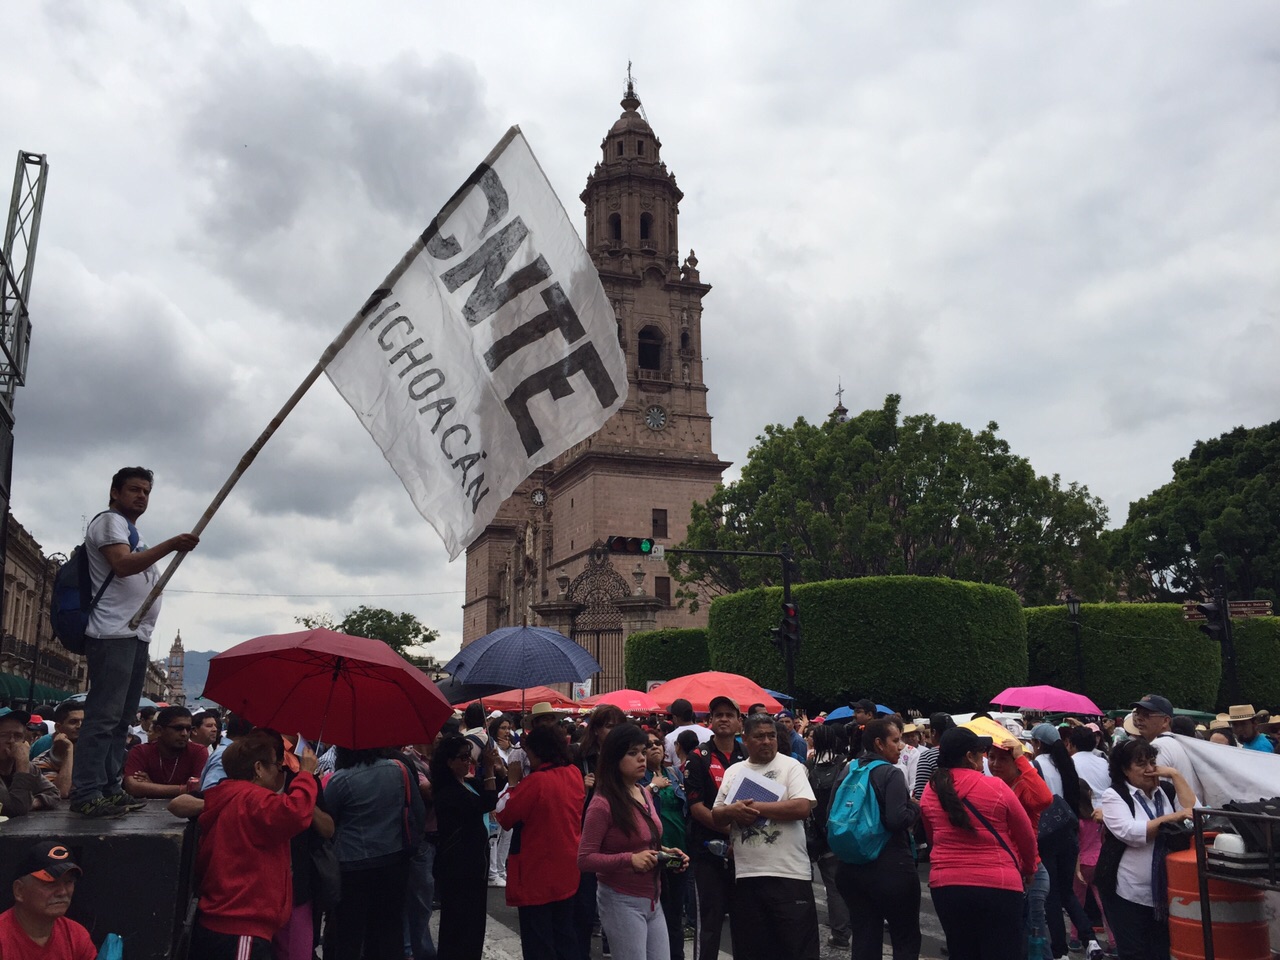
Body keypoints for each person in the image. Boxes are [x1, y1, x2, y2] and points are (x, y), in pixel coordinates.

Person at [72, 467, 199, 818]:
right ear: (115, 492)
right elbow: (123, 565)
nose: (141, 496)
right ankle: (87, 791)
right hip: (113, 633)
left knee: (122, 718)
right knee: (104, 717)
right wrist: (171, 545)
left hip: (134, 634)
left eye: (146, 491)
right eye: (134, 489)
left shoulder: (132, 531)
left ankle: (110, 787)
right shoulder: (110, 522)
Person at [191, 730, 319, 960]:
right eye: (276, 767)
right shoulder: (252, 799)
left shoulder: (226, 795)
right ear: (259, 768)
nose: (279, 772)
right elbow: (296, 813)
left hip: (225, 919)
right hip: (241, 923)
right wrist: (306, 775)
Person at [920, 727, 1037, 960]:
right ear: (970, 757)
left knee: (962, 951)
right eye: (981, 753)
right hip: (999, 885)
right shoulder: (996, 787)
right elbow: (1026, 835)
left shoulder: (931, 791)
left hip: (947, 885)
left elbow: (932, 837)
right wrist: (1028, 869)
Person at [712, 713, 818, 960]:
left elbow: (802, 807)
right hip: (747, 875)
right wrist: (732, 810)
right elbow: (717, 815)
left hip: (789, 875)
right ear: (745, 739)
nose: (767, 741)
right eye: (759, 737)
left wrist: (754, 808)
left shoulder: (791, 766)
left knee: (796, 949)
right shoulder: (734, 771)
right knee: (752, 950)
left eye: (771, 736)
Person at [578, 723, 688, 960]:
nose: (642, 758)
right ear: (614, 758)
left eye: (642, 751)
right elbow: (585, 859)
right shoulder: (602, 803)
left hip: (653, 898)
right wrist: (630, 860)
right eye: (632, 753)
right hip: (620, 899)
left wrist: (667, 853)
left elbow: (645, 840)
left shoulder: (643, 791)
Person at [1095, 737, 1198, 960]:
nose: (1150, 769)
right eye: (1141, 764)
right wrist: (1173, 817)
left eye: (1152, 762)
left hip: (1165, 891)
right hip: (1129, 892)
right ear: (1124, 770)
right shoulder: (1115, 795)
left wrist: (1175, 775)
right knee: (1135, 953)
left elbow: (1195, 813)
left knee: (1161, 951)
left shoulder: (1166, 791)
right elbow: (1131, 832)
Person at [832, 717, 922, 960]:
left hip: (851, 869)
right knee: (905, 937)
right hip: (890, 868)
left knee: (865, 936)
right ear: (879, 744)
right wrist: (914, 808)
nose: (900, 746)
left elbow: (832, 813)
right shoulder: (890, 773)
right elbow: (896, 820)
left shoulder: (849, 769)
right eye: (895, 740)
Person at [496, 723, 585, 960]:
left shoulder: (536, 782)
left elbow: (505, 816)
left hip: (537, 873)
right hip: (567, 869)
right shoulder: (574, 773)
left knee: (539, 943)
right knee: (565, 936)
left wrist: (512, 783)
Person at [326, 746, 425, 960]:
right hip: (394, 859)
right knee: (390, 930)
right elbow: (418, 812)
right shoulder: (399, 770)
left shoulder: (340, 779)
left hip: (352, 865)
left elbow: (328, 823)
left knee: (350, 934)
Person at [683, 695, 745, 960]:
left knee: (746, 924)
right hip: (707, 853)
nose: (723, 719)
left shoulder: (748, 755)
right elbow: (697, 808)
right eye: (718, 715)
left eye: (729, 714)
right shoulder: (698, 758)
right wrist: (729, 831)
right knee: (709, 924)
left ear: (739, 722)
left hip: (745, 854)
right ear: (709, 721)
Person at [1028, 723, 1094, 960]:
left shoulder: (1035, 766)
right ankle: (1091, 941)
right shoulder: (1067, 765)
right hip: (1069, 833)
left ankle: (1060, 951)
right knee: (1068, 892)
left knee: (1052, 897)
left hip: (1046, 835)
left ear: (1037, 744)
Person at [986, 731, 1054, 960]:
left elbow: (1045, 799)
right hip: (1008, 869)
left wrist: (1022, 758)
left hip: (1030, 872)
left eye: (1002, 759)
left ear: (1016, 763)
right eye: (991, 757)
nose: (994, 764)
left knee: (1034, 933)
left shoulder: (1023, 786)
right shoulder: (995, 785)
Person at [431, 733, 499, 960]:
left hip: (473, 865)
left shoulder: (466, 783)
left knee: (473, 924)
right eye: (462, 758)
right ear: (449, 762)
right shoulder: (447, 791)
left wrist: (491, 768)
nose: (468, 761)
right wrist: (488, 769)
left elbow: (491, 792)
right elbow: (486, 803)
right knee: (460, 926)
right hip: (460, 868)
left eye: (469, 756)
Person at [573, 704, 625, 960]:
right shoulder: (580, 756)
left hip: (621, 835)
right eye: (608, 725)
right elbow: (567, 801)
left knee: (619, 904)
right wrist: (580, 788)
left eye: (618, 725)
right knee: (585, 903)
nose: (613, 731)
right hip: (589, 835)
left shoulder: (628, 756)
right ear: (595, 729)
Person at [0, 840, 96, 960]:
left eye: (68, 882)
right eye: (50, 883)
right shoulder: (3, 939)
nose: (63, 892)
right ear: (19, 890)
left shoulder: (77, 936)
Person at [642, 728, 689, 960]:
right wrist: (653, 786)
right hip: (652, 852)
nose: (655, 747)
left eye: (658, 743)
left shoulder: (674, 773)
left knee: (674, 913)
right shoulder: (639, 779)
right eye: (649, 745)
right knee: (656, 909)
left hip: (677, 847)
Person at [806, 723, 851, 949]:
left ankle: (840, 933)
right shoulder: (845, 763)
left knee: (833, 886)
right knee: (850, 882)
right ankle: (852, 925)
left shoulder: (810, 765)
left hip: (821, 834)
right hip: (844, 829)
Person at [122, 705, 207, 799]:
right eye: (178, 728)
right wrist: (183, 789)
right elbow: (132, 787)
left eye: (188, 729)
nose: (184, 734)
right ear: (159, 730)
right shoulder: (141, 751)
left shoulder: (198, 752)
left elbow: (199, 789)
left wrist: (151, 786)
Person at [0, 707, 60, 815]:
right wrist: (22, 767)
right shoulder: (23, 765)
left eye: (18, 736)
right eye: (3, 735)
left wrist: (34, 802)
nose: (12, 741)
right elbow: (17, 809)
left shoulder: (28, 766)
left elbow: (54, 793)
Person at [30, 701, 84, 800]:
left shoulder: (93, 758)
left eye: (83, 722)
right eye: (73, 722)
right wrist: (69, 750)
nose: (80, 726)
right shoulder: (42, 762)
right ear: (58, 727)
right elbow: (60, 792)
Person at [489, 713, 516, 887]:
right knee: (494, 836)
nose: (507, 731)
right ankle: (492, 873)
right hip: (496, 798)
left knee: (508, 834)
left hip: (510, 799)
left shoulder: (514, 748)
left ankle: (501, 869)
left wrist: (512, 748)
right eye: (503, 728)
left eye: (509, 728)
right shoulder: (492, 749)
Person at [664, 698, 711, 768]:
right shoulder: (709, 734)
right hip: (707, 776)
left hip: (680, 777)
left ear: (675, 718)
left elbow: (667, 766)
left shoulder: (669, 738)